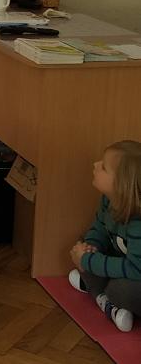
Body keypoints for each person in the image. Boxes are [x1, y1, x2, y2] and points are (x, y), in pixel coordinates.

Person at [68, 140, 141, 332]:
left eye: (103, 167)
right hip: (126, 264)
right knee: (82, 251)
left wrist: (89, 261)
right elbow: (99, 228)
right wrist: (90, 247)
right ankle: (107, 299)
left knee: (120, 290)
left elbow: (136, 269)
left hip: (136, 272)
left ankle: (103, 297)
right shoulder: (108, 201)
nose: (95, 165)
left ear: (121, 184)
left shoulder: (138, 222)